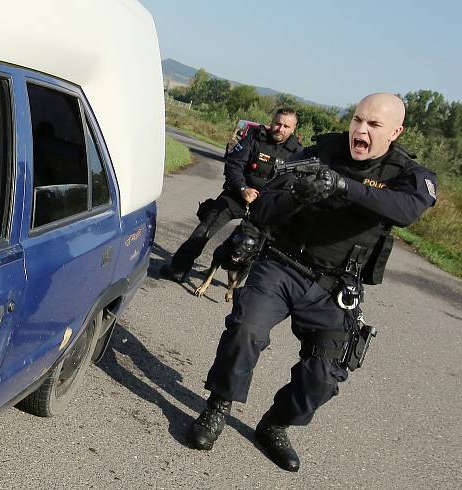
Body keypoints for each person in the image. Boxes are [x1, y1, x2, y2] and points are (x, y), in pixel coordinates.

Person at [189, 93, 437, 472]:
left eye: (374, 125)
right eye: (357, 119)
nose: (361, 130)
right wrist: (296, 195)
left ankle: (275, 424)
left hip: (335, 287)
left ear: (396, 132)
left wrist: (343, 186)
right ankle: (218, 406)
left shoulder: (407, 175)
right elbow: (265, 208)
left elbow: (407, 211)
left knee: (325, 373)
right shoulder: (318, 153)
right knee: (246, 330)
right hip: (283, 264)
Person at [160, 108, 302, 283]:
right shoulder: (254, 137)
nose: (280, 129)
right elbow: (233, 165)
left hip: (265, 207)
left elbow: (294, 186)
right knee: (203, 231)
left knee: (267, 250)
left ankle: (248, 289)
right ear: (272, 121)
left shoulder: (298, 153)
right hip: (236, 196)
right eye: (278, 123)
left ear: (293, 129)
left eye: (286, 126)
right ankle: (178, 269)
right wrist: (243, 188)